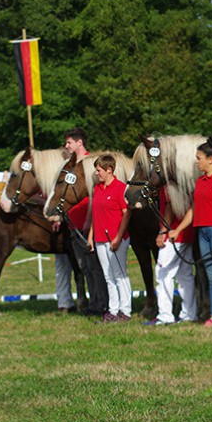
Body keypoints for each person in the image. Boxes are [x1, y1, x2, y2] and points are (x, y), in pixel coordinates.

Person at [169, 136, 212, 327]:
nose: (196, 161)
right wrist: (178, 229)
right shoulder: (200, 182)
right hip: (203, 233)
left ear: (210, 159)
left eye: (199, 157)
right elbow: (194, 209)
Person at [87, 154, 132, 323]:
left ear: (109, 170)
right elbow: (95, 216)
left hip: (116, 239)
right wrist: (91, 237)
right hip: (99, 239)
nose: (97, 173)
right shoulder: (97, 188)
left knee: (119, 274)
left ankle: (125, 311)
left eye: (99, 170)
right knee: (108, 276)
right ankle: (113, 311)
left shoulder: (121, 188)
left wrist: (118, 237)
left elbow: (126, 214)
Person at [145, 187, 197, 326]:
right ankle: (189, 313)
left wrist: (163, 232)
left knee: (163, 274)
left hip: (173, 234)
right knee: (185, 275)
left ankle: (165, 315)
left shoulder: (170, 185)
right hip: (186, 233)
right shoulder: (184, 183)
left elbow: (170, 207)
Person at [53, 127, 91, 314]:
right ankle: (90, 304)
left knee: (94, 269)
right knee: (82, 268)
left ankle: (101, 305)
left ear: (79, 143)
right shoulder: (69, 165)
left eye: (69, 142)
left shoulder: (92, 163)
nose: (66, 146)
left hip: (88, 223)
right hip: (72, 224)